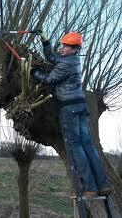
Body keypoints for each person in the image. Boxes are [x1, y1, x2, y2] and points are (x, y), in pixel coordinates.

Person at [31, 31, 111, 197]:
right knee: (88, 145)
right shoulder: (71, 60)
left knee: (76, 147)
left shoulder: (67, 64)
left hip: (69, 108)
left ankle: (89, 187)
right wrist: (45, 41)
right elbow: (52, 58)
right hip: (80, 106)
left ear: (74, 48)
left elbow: (49, 79)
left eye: (65, 46)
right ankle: (103, 185)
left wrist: (33, 73)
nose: (62, 48)